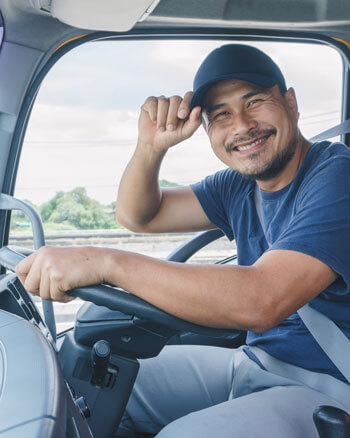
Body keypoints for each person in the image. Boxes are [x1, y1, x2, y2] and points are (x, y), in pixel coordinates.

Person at [15, 44, 350, 437]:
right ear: (207, 129)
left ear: (291, 103)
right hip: (255, 362)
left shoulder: (337, 176)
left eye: (255, 101)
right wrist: (151, 147)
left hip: (329, 387)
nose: (241, 125)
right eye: (221, 114)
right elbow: (139, 214)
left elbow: (262, 300)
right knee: (82, 387)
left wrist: (105, 262)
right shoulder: (238, 187)